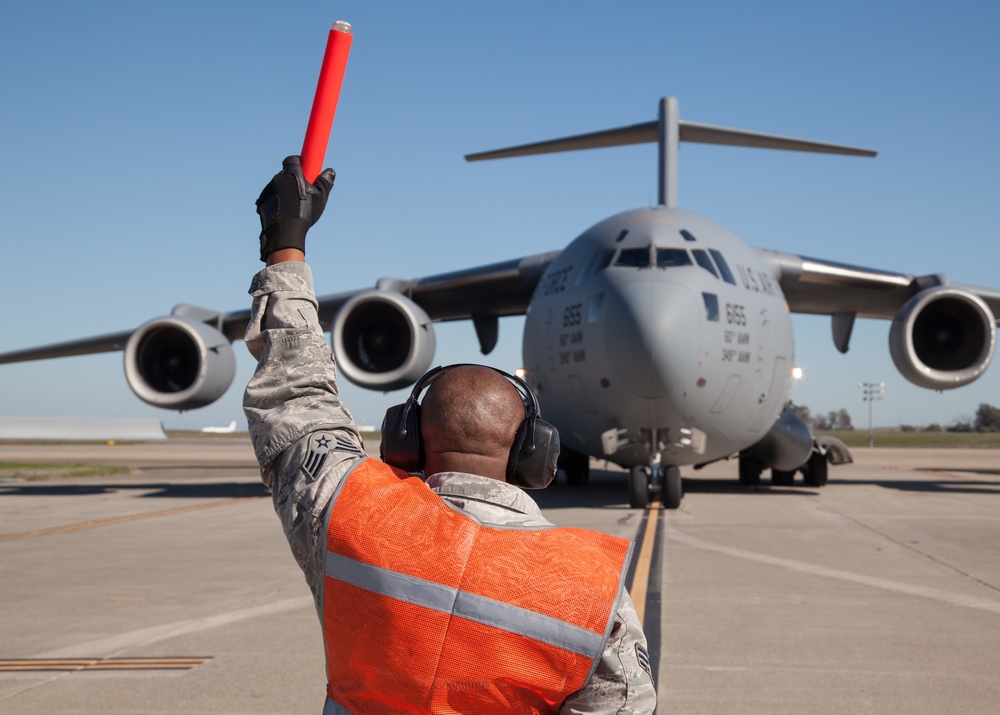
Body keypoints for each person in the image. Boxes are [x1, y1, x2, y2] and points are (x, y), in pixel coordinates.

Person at [243, 156, 656, 714]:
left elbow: (296, 397)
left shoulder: (349, 517)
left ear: (405, 439)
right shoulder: (589, 592)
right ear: (533, 453)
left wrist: (286, 245)